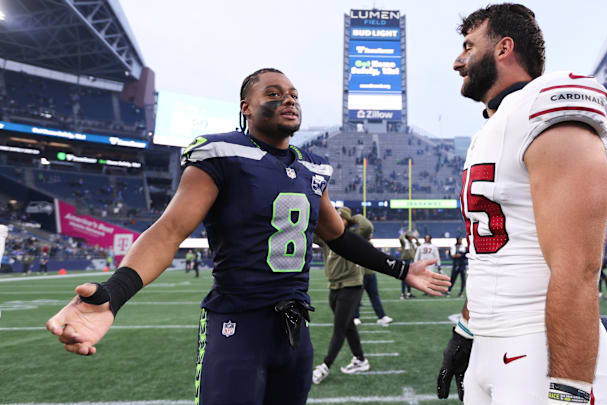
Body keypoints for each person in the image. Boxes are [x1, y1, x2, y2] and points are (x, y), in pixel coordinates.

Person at [45, 68, 449, 405]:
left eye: (293, 94)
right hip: (236, 327)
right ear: (247, 108)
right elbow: (168, 231)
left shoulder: (313, 167)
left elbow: (339, 236)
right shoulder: (221, 155)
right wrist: (113, 294)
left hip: (294, 331)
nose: (288, 100)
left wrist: (402, 269)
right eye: (273, 94)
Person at [436, 5, 607, 404]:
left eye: (468, 46)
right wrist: (466, 330)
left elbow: (578, 266)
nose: (458, 61)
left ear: (504, 48)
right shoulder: (495, 127)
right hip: (490, 344)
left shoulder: (549, 107)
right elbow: (496, 252)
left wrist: (570, 391)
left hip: (539, 350)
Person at [312, 207, 372, 384]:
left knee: (339, 329)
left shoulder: (353, 236)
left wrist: (352, 218)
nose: (336, 219)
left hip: (351, 286)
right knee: (348, 326)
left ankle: (325, 366)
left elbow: (367, 226)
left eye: (340, 217)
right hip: (334, 287)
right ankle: (360, 359)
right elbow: (313, 231)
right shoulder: (327, 238)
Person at [399, 231, 418, 299]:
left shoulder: (412, 243)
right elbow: (400, 238)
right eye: (410, 236)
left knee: (409, 278)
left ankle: (409, 293)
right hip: (405, 260)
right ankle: (403, 294)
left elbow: (419, 245)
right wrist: (404, 234)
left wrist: (416, 239)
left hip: (411, 261)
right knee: (404, 277)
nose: (411, 237)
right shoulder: (405, 242)